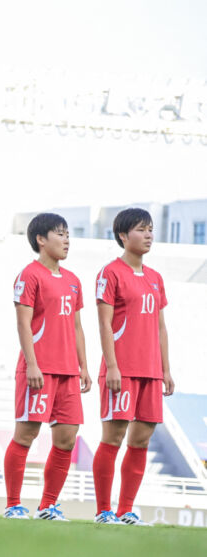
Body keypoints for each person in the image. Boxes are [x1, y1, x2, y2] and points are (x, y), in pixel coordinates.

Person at [3, 213, 91, 519]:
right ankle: (13, 504)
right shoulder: (29, 275)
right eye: (60, 234)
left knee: (67, 439)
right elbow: (23, 323)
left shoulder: (73, 281)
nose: (67, 240)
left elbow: (77, 327)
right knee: (25, 436)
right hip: (39, 370)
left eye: (68, 234)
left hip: (68, 372)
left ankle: (48, 505)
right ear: (41, 239)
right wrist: (32, 364)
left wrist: (84, 366)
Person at [92, 208, 174, 525]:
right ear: (124, 236)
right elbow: (104, 323)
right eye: (142, 229)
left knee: (141, 440)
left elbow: (160, 328)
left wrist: (165, 369)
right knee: (113, 437)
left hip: (151, 372)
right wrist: (112, 366)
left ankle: (126, 510)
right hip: (121, 370)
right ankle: (103, 511)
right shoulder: (110, 273)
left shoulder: (155, 279)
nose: (149, 234)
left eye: (151, 229)